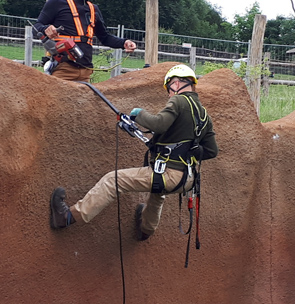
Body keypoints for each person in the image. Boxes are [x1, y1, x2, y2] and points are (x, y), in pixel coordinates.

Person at [50, 64, 218, 240]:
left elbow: (159, 123)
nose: (169, 94)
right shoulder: (204, 114)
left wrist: (138, 114)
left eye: (169, 89)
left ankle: (67, 217)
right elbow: (211, 151)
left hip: (168, 175)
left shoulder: (179, 100)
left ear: (175, 84)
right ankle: (146, 230)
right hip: (187, 180)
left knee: (113, 180)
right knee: (157, 194)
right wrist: (188, 149)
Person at [34, 0, 137, 82]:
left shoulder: (93, 9)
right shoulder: (57, 3)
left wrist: (124, 43)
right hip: (63, 70)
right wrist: (46, 28)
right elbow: (37, 27)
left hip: (86, 72)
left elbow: (105, 38)